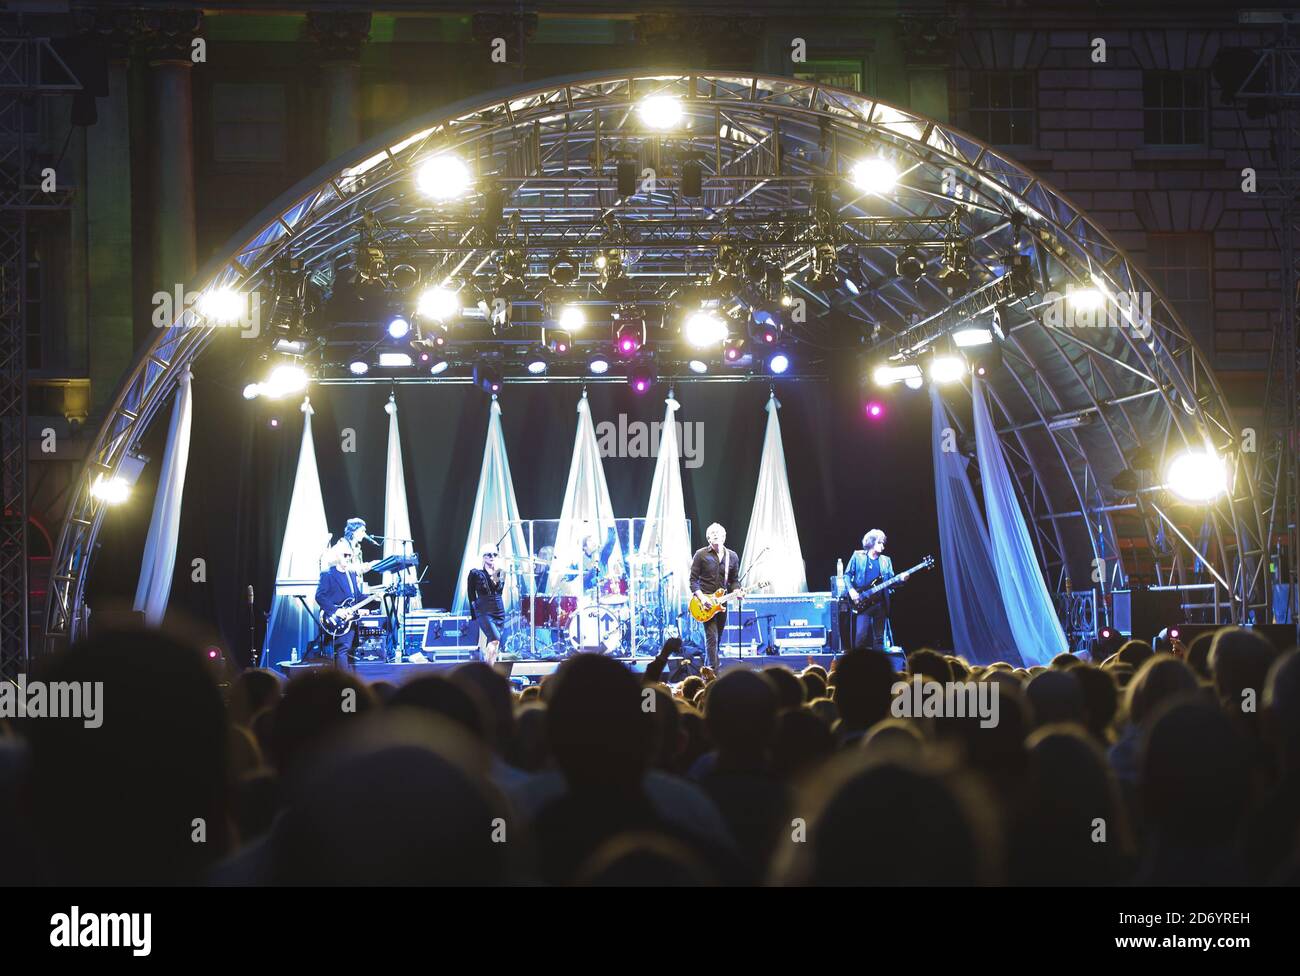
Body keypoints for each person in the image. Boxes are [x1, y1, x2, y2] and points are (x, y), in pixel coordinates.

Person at [689, 523, 741, 670]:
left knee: (716, 641)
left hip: (722, 604)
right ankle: (714, 678)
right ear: (708, 538)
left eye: (718, 532)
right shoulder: (701, 554)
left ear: (724, 536)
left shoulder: (733, 556)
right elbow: (693, 581)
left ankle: (707, 672)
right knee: (712, 638)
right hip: (705, 604)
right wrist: (702, 598)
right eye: (712, 533)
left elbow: (734, 581)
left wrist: (737, 591)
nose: (716, 534)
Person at [315, 542, 369, 670]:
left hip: (350, 620)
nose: (348, 557)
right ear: (337, 556)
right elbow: (319, 596)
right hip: (336, 619)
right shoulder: (328, 574)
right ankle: (343, 685)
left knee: (351, 650)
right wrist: (336, 611)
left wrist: (374, 597)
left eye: (350, 555)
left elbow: (357, 596)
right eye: (345, 555)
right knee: (343, 650)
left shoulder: (351, 574)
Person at [844, 529, 894, 652]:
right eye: (880, 543)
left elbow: (892, 582)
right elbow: (847, 575)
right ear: (871, 543)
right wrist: (851, 591)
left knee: (879, 640)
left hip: (880, 604)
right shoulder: (858, 556)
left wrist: (902, 580)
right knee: (860, 637)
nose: (883, 546)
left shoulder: (886, 560)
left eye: (883, 543)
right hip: (863, 603)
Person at [467, 546, 506, 666]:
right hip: (483, 609)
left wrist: (494, 573)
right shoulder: (475, 573)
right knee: (494, 639)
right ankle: (489, 672)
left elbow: (498, 590)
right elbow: (471, 593)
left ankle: (489, 670)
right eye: (489, 555)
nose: (492, 557)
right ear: (483, 557)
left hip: (498, 609)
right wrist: (474, 611)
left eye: (494, 554)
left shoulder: (500, 572)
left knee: (494, 642)